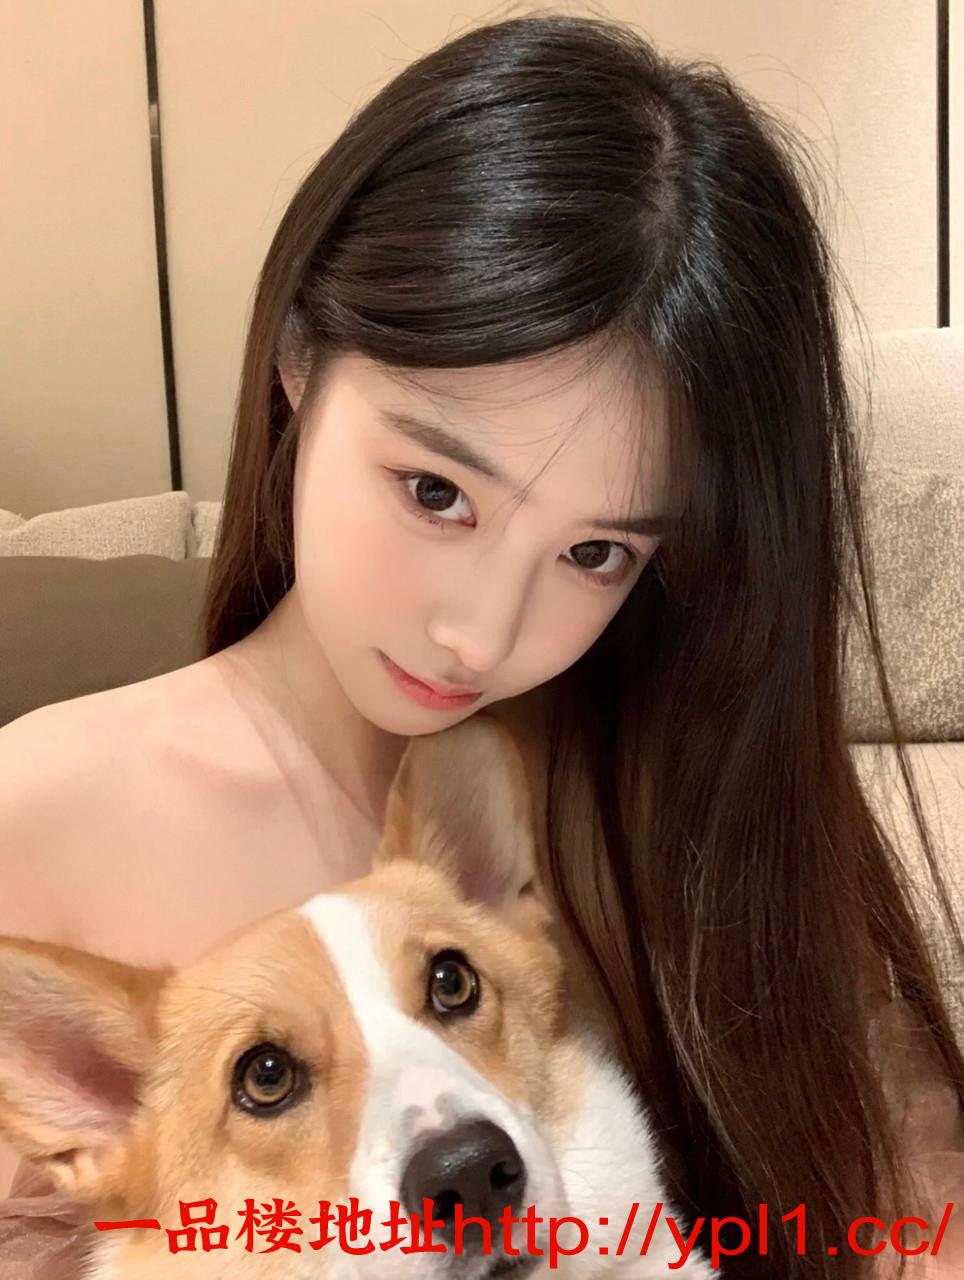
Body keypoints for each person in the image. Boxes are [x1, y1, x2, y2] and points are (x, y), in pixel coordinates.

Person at [0, 12, 961, 1279]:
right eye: (436, 490)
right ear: (298, 355)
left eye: (596, 551)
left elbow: (914, 1211)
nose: (482, 632)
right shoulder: (36, 816)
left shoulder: (679, 778)